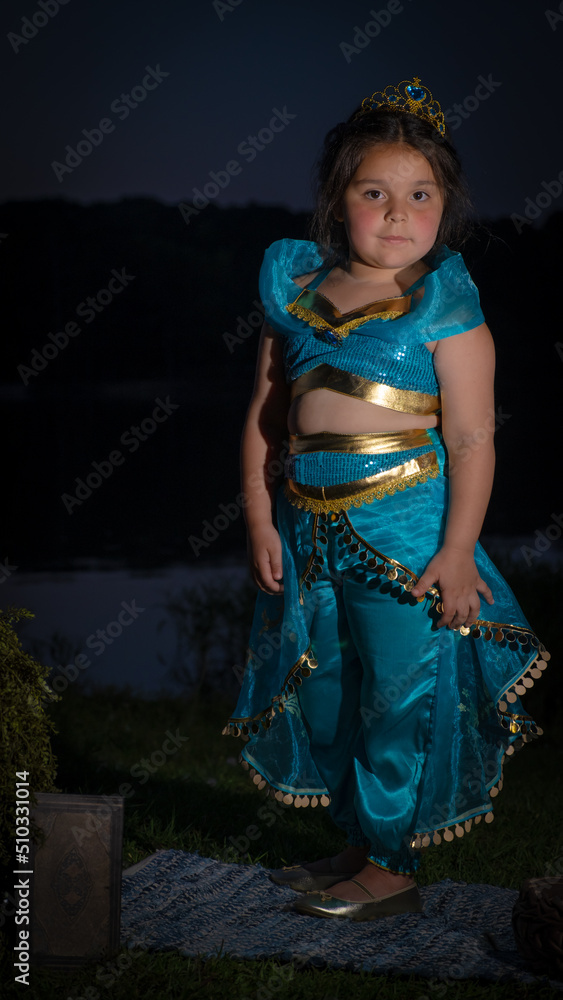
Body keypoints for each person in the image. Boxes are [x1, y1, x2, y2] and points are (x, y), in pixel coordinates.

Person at [223, 77, 549, 921]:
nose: (398, 213)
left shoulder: (441, 302)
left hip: (405, 531)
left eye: (419, 195)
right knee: (326, 686)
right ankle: (358, 842)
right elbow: (265, 419)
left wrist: (454, 549)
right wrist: (260, 517)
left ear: (444, 207)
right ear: (338, 200)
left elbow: (472, 437)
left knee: (398, 694)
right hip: (307, 530)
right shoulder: (294, 289)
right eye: (375, 193)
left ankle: (394, 867)